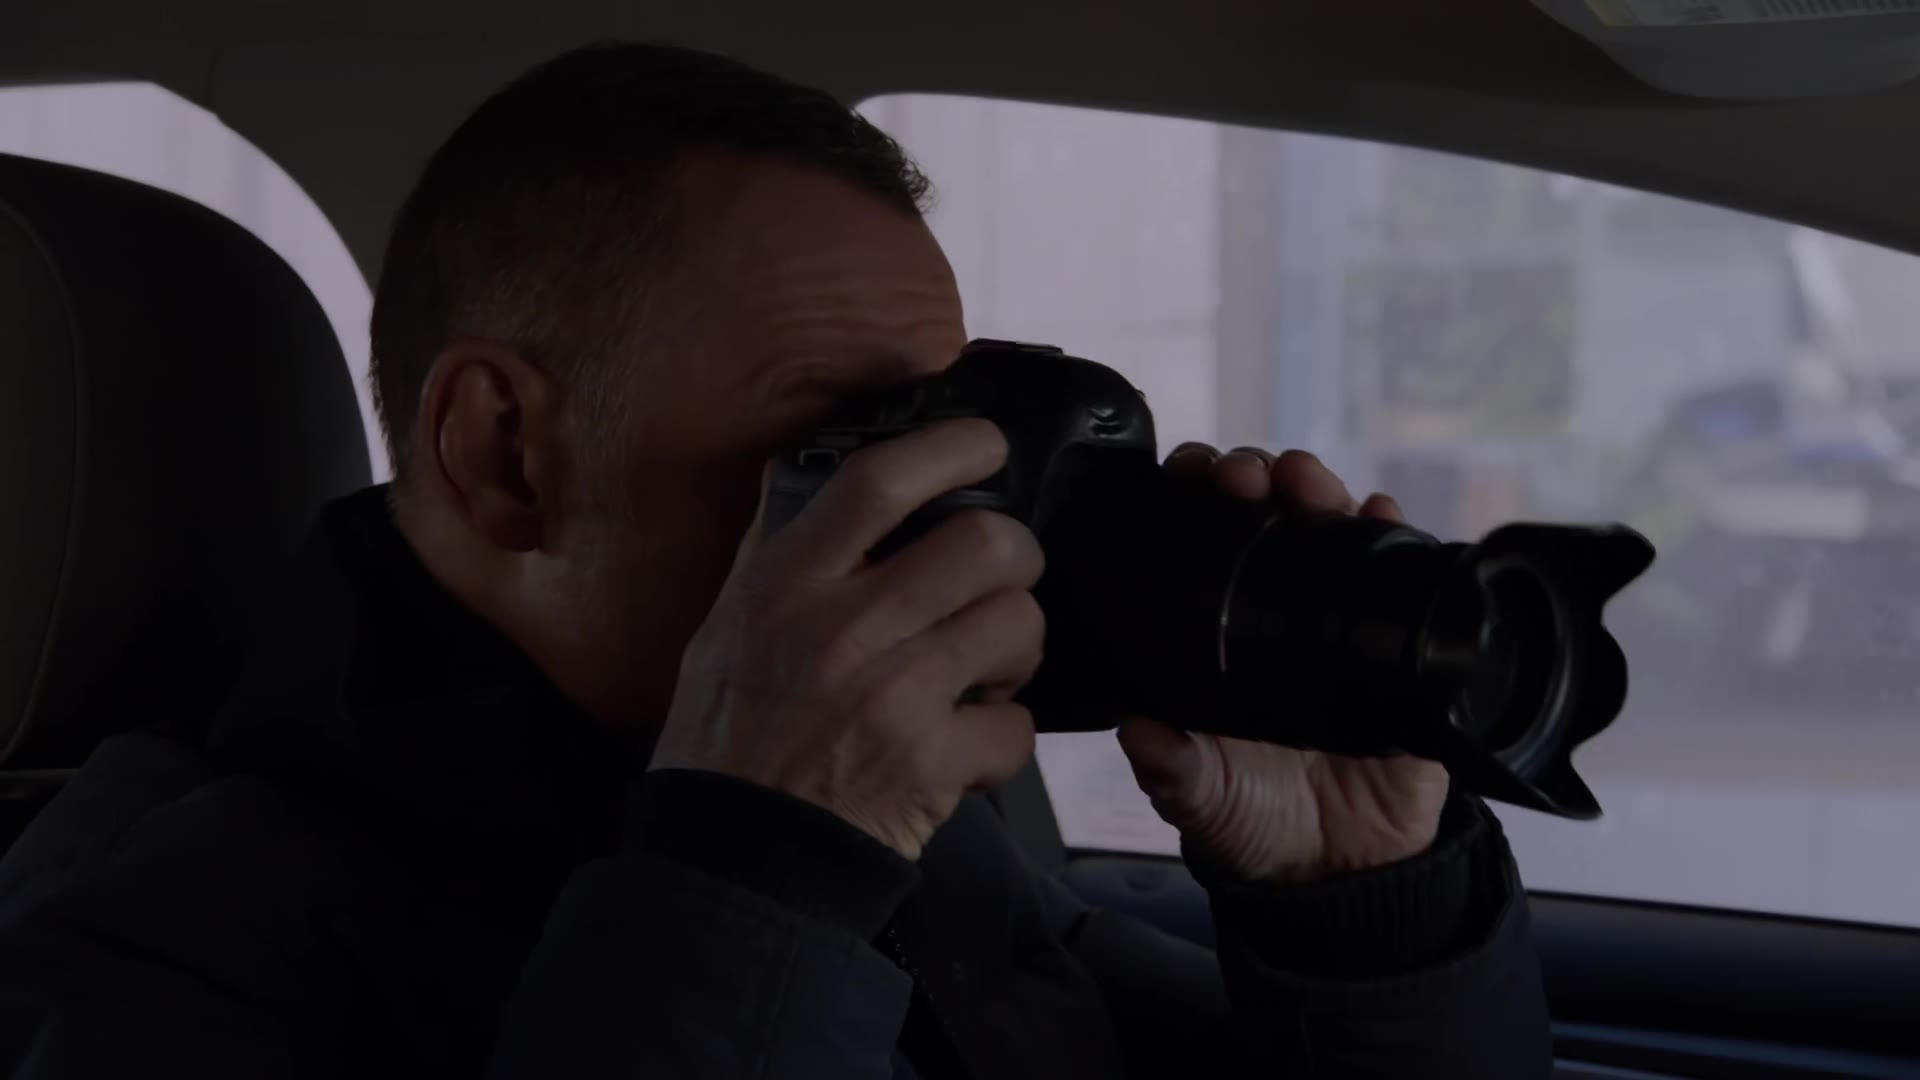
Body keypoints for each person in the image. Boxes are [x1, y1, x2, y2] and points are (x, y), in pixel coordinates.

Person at [0, 43, 1550, 1078]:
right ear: (504, 452)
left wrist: (1358, 915)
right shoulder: (138, 950)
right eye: (845, 434)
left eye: (944, 429)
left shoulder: (898, 819)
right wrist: (758, 879)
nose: (951, 517)